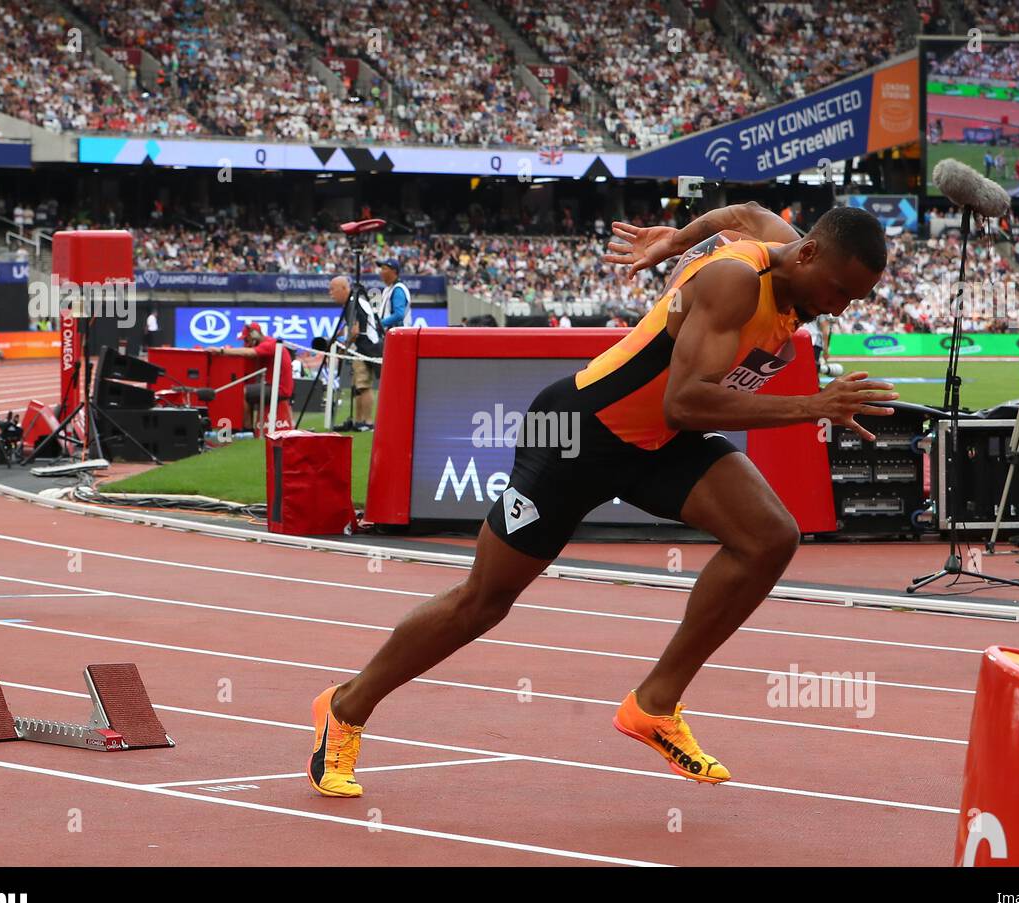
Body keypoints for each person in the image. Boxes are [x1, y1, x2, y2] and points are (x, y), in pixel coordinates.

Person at [306, 203, 897, 798]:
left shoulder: (786, 249)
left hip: (660, 444)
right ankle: (346, 707)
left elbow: (744, 211)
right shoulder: (736, 281)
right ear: (811, 253)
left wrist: (673, 241)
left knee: (770, 536)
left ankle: (655, 704)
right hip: (578, 432)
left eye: (858, 299)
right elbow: (686, 402)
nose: (842, 307)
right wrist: (811, 405)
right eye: (841, 290)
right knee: (483, 602)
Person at [208, 323, 293, 433]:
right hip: (270, 385)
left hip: (279, 389)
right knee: (246, 390)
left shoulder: (270, 344)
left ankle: (246, 429)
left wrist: (221, 351)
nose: (245, 343)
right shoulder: (264, 345)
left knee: (243, 392)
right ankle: (239, 426)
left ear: (254, 335)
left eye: (247, 339)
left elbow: (250, 352)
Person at [328, 275, 382, 432]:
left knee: (364, 386)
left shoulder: (353, 303)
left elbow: (355, 330)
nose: (330, 293)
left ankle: (367, 422)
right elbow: (350, 326)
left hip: (367, 348)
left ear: (344, 289)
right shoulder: (353, 302)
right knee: (357, 387)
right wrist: (337, 337)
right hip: (363, 348)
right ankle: (359, 421)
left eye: (333, 289)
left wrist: (344, 347)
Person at [377, 258, 411, 332]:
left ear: (394, 271)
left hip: (399, 336)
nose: (381, 272)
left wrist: (380, 324)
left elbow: (399, 315)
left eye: (384, 269)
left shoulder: (398, 289)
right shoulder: (388, 289)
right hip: (390, 335)